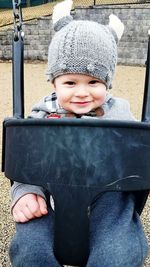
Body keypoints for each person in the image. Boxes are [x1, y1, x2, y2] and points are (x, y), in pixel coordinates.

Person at [9, 0, 148, 266]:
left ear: (107, 82)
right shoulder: (42, 115)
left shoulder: (119, 114)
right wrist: (25, 193)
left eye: (94, 82)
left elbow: (137, 157)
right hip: (50, 198)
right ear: (54, 82)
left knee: (117, 252)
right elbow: (25, 163)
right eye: (70, 82)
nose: (82, 92)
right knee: (30, 249)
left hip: (108, 199)